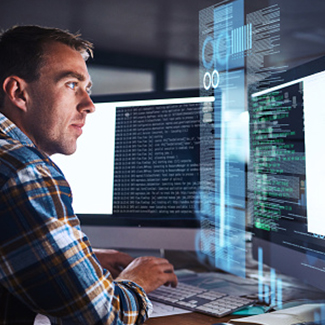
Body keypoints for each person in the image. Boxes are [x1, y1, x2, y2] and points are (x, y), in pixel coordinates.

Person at [0, 25, 177, 324]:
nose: (89, 105)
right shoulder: (24, 170)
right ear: (19, 92)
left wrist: (81, 260)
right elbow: (101, 318)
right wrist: (136, 280)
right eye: (71, 84)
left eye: (88, 88)